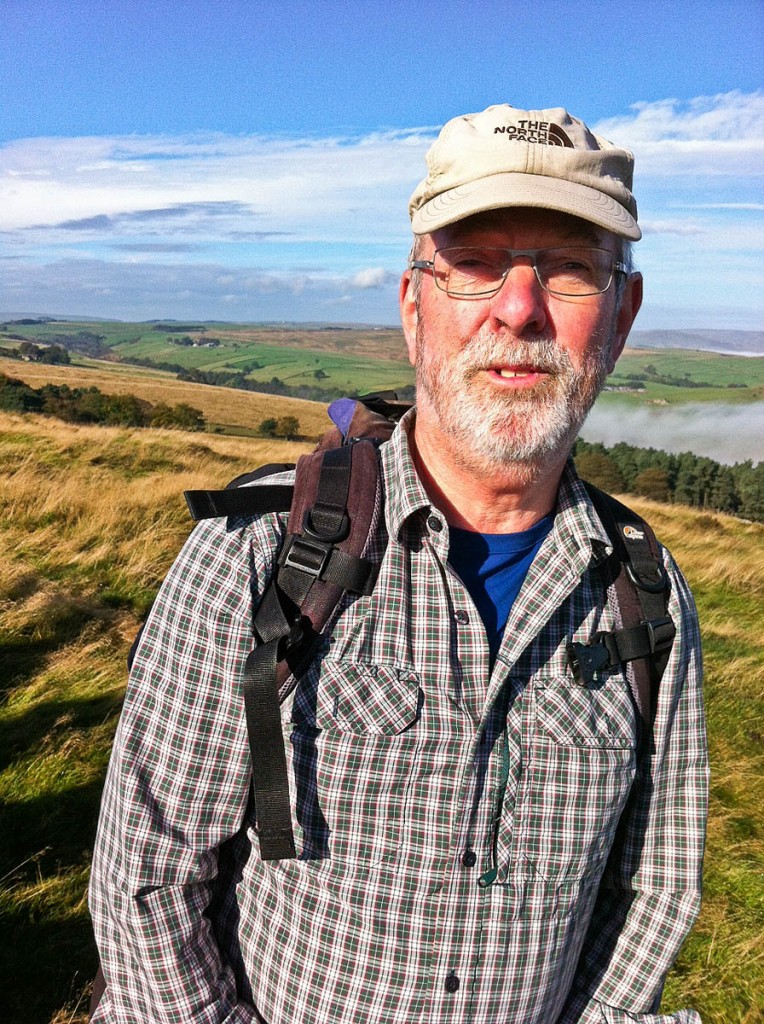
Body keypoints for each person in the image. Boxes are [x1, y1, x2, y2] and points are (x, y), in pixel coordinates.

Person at [89, 104, 707, 1024]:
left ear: (621, 317)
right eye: (476, 264)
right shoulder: (258, 551)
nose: (519, 306)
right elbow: (148, 877)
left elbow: (653, 894)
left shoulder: (643, 596)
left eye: (573, 270)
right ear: (415, 303)